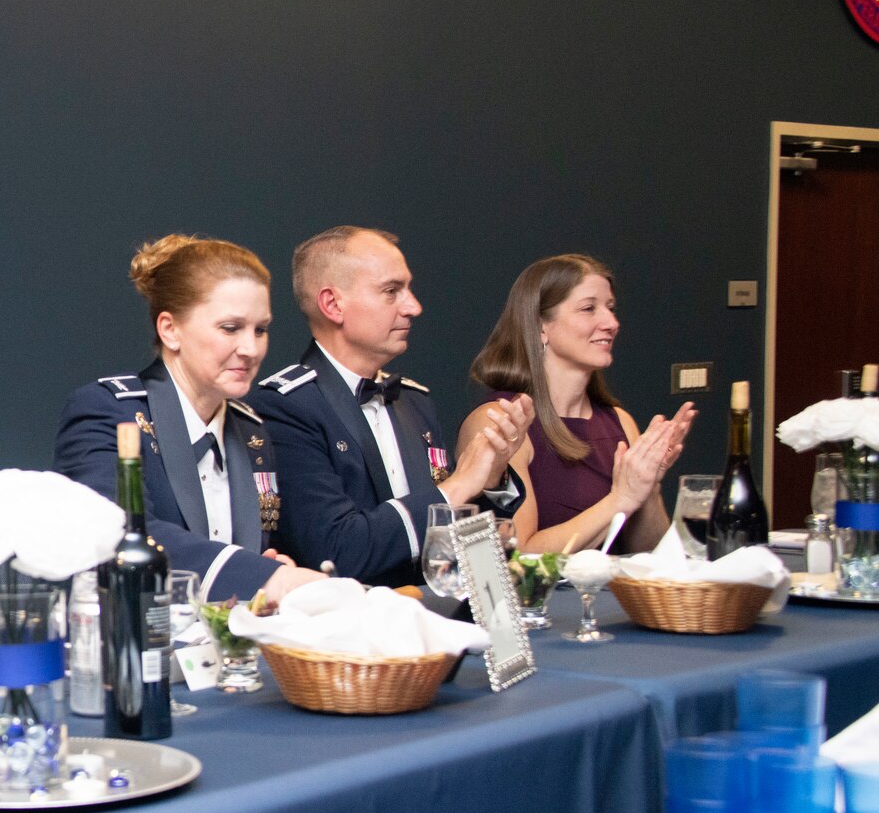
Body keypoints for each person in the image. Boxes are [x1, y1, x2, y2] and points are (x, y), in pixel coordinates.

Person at [249, 226, 535, 589]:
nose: (414, 306)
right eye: (391, 291)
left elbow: (457, 551)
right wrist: (458, 486)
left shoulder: (415, 403)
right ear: (333, 305)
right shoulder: (282, 407)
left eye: (408, 289)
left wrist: (491, 479)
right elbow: (338, 553)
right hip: (348, 633)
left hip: (437, 624)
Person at [53, 235, 327, 605]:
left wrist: (268, 567)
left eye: (260, 330)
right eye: (230, 328)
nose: (250, 349)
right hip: (135, 649)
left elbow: (254, 556)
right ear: (170, 330)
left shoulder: (252, 430)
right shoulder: (108, 411)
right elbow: (117, 532)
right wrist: (266, 577)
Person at [462, 255, 694, 555]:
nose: (611, 323)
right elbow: (521, 557)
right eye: (589, 309)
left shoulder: (620, 422)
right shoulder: (501, 421)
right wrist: (620, 499)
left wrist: (648, 489)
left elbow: (649, 556)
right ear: (540, 326)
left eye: (610, 308)